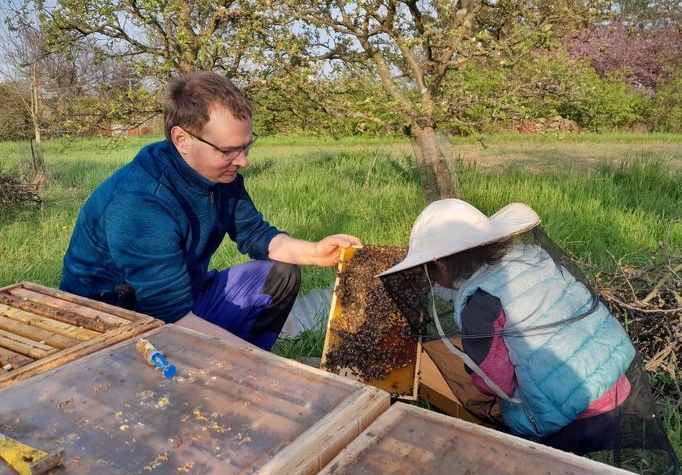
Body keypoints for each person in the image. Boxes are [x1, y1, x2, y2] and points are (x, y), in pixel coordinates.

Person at [60, 71, 360, 351]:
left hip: (181, 299)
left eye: (246, 146)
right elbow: (170, 315)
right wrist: (266, 368)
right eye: (228, 150)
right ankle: (240, 370)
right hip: (116, 328)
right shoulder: (140, 204)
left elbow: (255, 234)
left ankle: (238, 368)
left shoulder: (221, 176)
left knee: (280, 274)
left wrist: (315, 252)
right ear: (182, 140)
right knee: (247, 365)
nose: (243, 161)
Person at [379, 199, 636, 455]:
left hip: (569, 420)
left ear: (441, 264)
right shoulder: (533, 259)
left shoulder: (480, 305)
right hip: (616, 392)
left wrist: (475, 371)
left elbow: (495, 382)